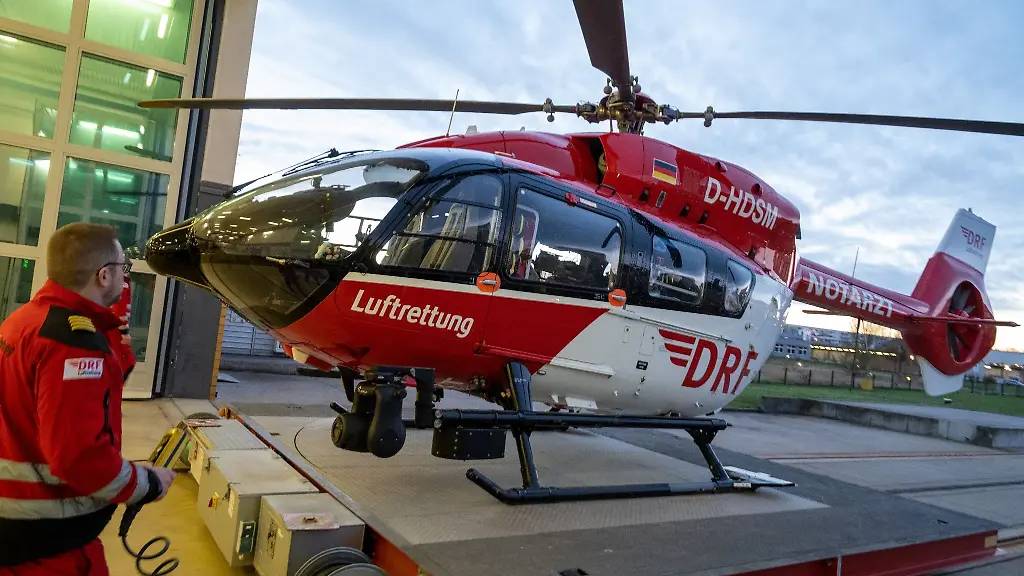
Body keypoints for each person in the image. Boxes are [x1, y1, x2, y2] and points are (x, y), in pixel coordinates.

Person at [0, 223, 176, 574]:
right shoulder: (73, 344)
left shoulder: (23, 321)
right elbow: (78, 457)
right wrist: (148, 483)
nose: (125, 278)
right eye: (122, 268)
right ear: (104, 275)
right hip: (45, 541)